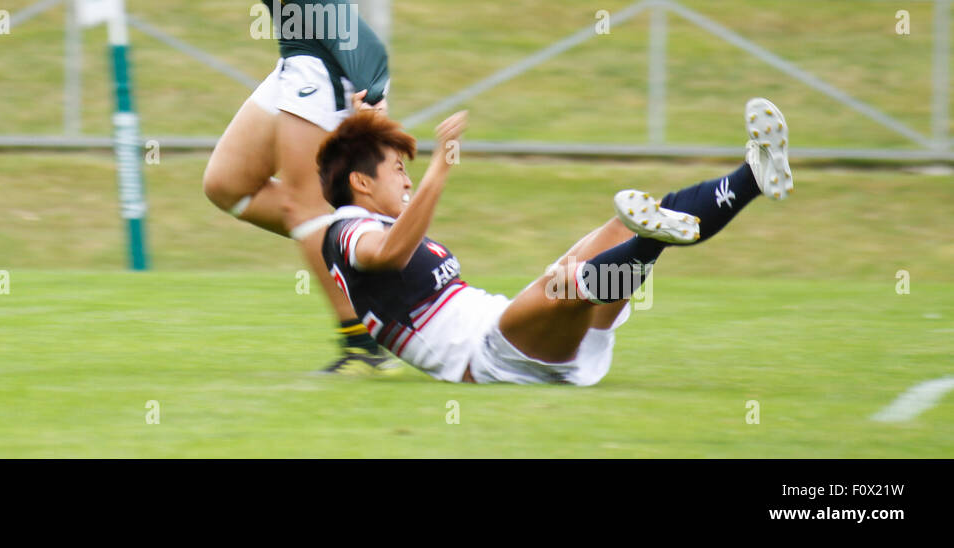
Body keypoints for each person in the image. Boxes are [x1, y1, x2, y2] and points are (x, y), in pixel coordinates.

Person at [129, 0, 397, 375]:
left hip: (326, 61)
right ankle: (371, 245)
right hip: (304, 58)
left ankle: (362, 337)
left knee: (307, 207)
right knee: (226, 184)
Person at [317, 98, 794, 385]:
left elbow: (385, 210)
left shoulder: (374, 218)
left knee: (627, 225)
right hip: (490, 360)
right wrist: (440, 168)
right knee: (565, 282)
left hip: (514, 328)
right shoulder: (346, 231)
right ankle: (648, 244)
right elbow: (389, 252)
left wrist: (362, 118)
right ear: (360, 184)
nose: (407, 181)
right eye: (399, 171)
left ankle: (754, 176)